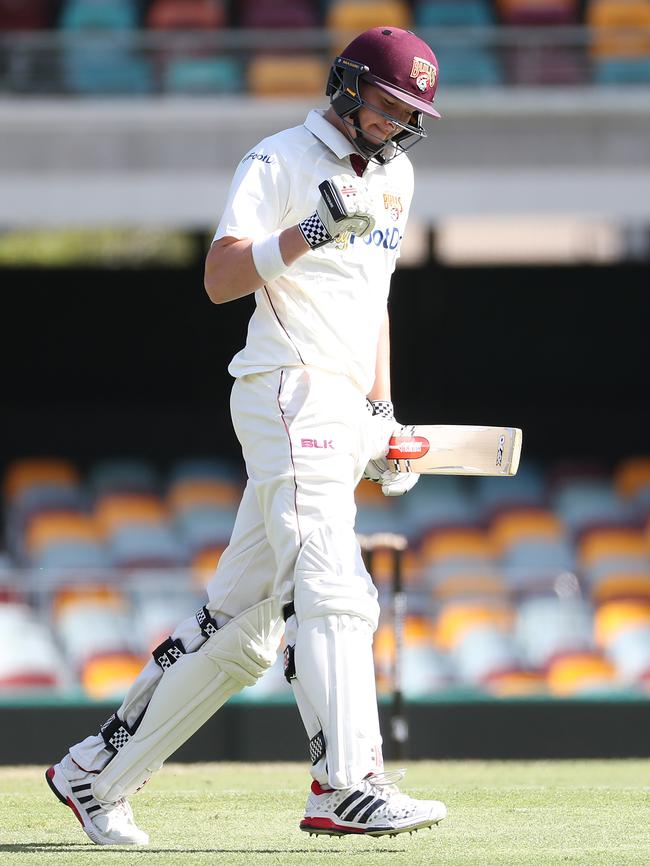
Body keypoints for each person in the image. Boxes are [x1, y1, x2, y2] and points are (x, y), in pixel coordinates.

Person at [45, 26, 447, 844]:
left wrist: (384, 414)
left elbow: (373, 302)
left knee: (240, 633)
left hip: (340, 404)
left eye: (407, 113)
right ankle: (346, 784)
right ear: (346, 86)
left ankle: (94, 773)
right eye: (383, 103)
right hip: (285, 393)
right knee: (333, 582)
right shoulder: (277, 162)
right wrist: (308, 231)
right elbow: (220, 279)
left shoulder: (398, 174)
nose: (392, 124)